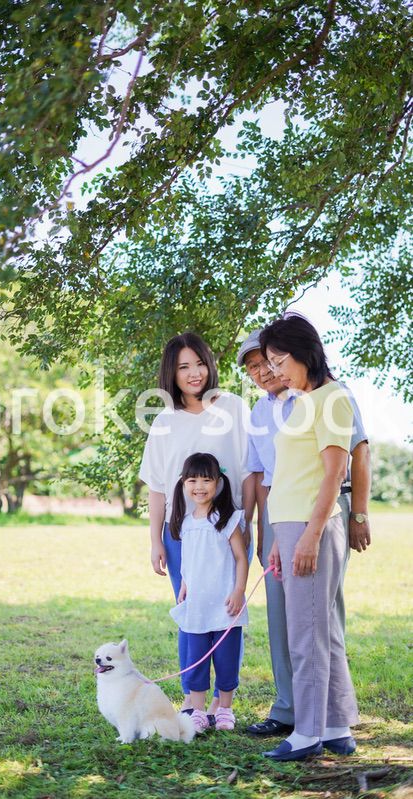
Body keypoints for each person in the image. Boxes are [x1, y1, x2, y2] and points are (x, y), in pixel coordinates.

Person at [236, 330, 371, 738]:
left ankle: (329, 720)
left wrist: (358, 515)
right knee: (285, 616)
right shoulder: (259, 413)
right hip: (283, 516)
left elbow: (356, 454)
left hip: (321, 511)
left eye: (271, 361)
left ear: (292, 356)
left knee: (320, 616)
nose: (264, 372)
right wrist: (263, 531)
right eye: (256, 368)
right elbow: (261, 477)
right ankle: (291, 708)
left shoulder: (327, 395)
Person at [259, 314, 359, 762]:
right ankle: (337, 725)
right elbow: (293, 476)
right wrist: (283, 540)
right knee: (321, 632)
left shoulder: (332, 398)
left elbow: (335, 473)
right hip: (292, 526)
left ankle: (307, 733)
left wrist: (309, 537)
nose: (275, 371)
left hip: (310, 526)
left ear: (305, 353)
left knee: (306, 635)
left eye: (280, 360)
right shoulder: (305, 400)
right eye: (270, 362)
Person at [139, 332, 254, 714]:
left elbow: (249, 471)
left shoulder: (234, 407)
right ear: (171, 373)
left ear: (210, 364)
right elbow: (157, 488)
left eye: (200, 363)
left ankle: (225, 704)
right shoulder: (164, 423)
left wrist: (248, 521)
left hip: (227, 533)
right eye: (184, 366)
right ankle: (193, 699)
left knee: (225, 615)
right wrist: (155, 540)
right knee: (192, 615)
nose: (194, 373)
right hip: (180, 536)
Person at [168, 452, 249, 733]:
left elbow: (241, 558)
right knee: (196, 661)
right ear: (183, 483)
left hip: (225, 604)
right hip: (198, 606)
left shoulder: (225, 518)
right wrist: (185, 584)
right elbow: (189, 560)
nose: (199, 486)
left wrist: (239, 591)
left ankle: (225, 710)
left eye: (206, 479)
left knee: (226, 661)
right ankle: (199, 712)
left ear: (218, 482)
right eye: (192, 480)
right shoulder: (186, 521)